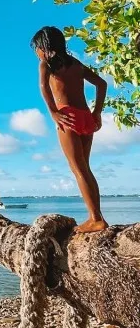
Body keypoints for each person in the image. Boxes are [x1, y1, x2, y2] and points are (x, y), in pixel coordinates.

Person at [32, 26, 108, 233]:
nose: (36, 53)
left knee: (78, 169)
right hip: (85, 116)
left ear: (44, 46)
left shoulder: (46, 64)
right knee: (85, 169)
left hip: (68, 117)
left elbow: (43, 88)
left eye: (37, 48)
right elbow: (101, 84)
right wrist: (96, 112)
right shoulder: (75, 63)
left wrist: (53, 112)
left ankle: (96, 219)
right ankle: (97, 217)